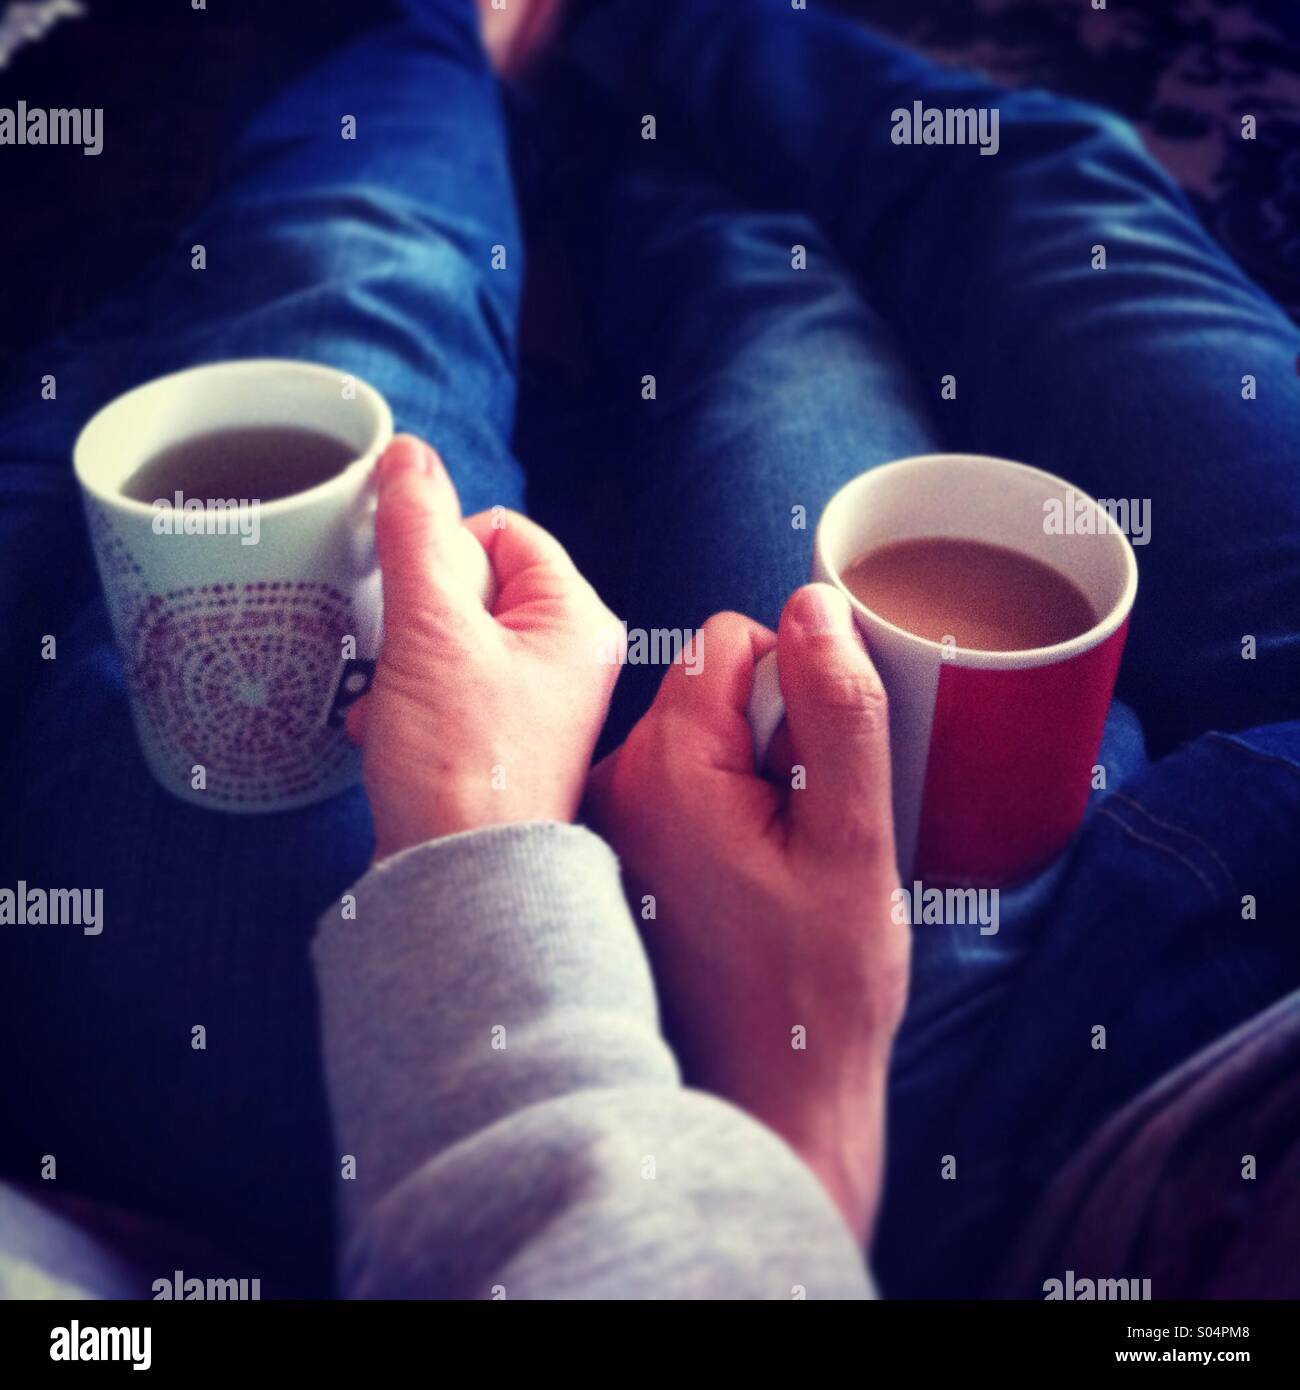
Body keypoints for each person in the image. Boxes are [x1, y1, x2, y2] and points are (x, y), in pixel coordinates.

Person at [1, 0, 1298, 1299]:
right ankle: (634, 65)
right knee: (1028, 204)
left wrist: (803, 1114)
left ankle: (459, 41)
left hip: (1043, 1119)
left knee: (369, 283)